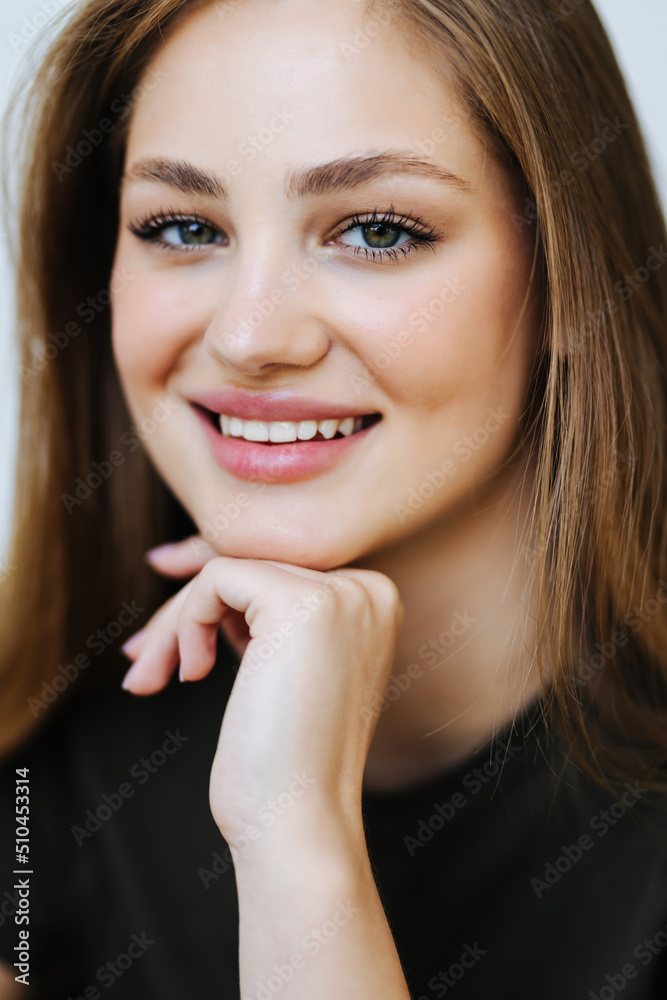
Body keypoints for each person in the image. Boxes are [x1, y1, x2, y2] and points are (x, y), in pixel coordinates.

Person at [0, 0, 666, 995]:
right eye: (182, 226)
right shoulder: (38, 773)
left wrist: (294, 843)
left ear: (571, 281)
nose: (250, 333)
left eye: (377, 230)